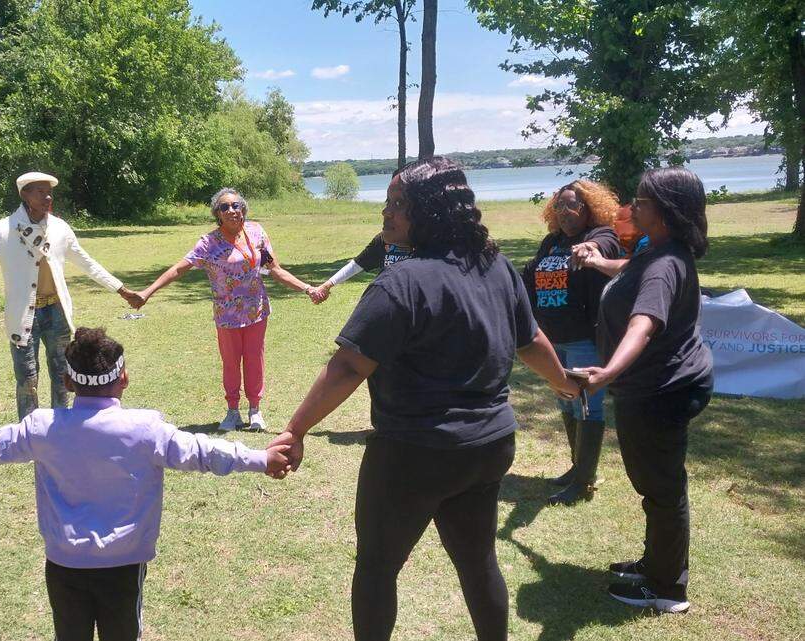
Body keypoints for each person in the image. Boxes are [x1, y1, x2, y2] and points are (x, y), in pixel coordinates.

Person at [268, 157, 580, 641]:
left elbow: (350, 365)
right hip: (488, 447)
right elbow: (532, 341)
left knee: (376, 567)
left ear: (430, 212)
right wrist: (564, 382)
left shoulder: (402, 282)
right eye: (388, 202)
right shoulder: (494, 266)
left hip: (415, 454)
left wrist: (295, 430)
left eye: (398, 205)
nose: (386, 214)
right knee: (478, 563)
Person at [0, 327, 290, 641]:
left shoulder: (43, 428)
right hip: (124, 565)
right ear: (123, 378)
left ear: (66, 382)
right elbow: (205, 452)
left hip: (64, 564)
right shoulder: (145, 430)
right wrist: (261, 459)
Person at [580, 167, 714, 614]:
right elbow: (627, 270)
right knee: (654, 482)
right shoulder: (654, 251)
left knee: (661, 486)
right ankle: (656, 563)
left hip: (661, 389)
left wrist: (607, 372)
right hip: (656, 386)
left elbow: (645, 324)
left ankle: (667, 587)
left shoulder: (663, 265)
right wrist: (600, 263)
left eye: (640, 200)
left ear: (665, 210)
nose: (631, 207)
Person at [0, 172, 143, 419]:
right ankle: (29, 432)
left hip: (57, 312)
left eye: (49, 192)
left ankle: (62, 427)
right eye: (40, 191)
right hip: (23, 316)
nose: (47, 197)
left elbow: (87, 263)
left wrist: (120, 289)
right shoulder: (3, 231)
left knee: (62, 376)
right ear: (24, 194)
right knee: (27, 378)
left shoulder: (60, 228)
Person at [134, 188, 318, 431]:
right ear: (217, 214)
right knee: (231, 363)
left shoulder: (256, 232)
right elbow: (180, 268)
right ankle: (233, 413)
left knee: (255, 360)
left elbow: (274, 269)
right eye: (225, 207)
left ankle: (255, 411)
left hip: (256, 311)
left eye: (235, 205)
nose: (231, 210)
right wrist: (148, 292)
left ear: (243, 209)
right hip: (227, 316)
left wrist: (308, 288)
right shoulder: (208, 243)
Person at [521, 180, 623, 505]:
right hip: (553, 339)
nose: (565, 212)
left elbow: (602, 246)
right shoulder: (551, 243)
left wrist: (587, 250)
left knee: (586, 405)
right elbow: (530, 278)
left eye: (573, 205)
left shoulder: (600, 235)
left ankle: (584, 483)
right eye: (560, 206)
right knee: (566, 400)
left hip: (583, 338)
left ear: (589, 209)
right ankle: (578, 468)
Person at [308, 232, 413, 303]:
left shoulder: (425, 240)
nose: (386, 213)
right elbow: (357, 265)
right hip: (390, 300)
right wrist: (327, 285)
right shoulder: (382, 239)